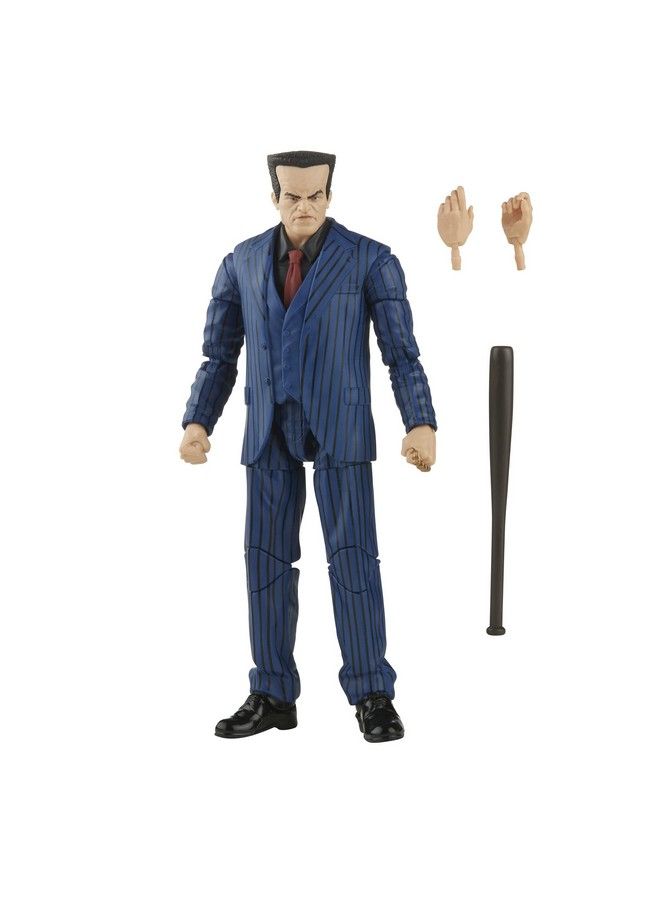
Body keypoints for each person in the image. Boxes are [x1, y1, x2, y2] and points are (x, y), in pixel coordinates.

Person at [180, 150, 436, 742]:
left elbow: (401, 352)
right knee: (264, 558)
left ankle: (371, 692)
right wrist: (199, 421)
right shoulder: (242, 262)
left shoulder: (370, 259)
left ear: (329, 195)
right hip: (268, 425)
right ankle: (272, 692)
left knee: (354, 556)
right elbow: (219, 356)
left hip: (340, 424)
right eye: (292, 196)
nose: (304, 207)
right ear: (274, 197)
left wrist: (420, 421)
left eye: (315, 195)